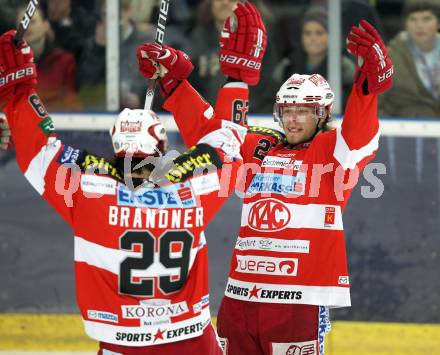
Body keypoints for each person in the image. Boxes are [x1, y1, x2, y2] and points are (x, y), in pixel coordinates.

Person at [139, 9, 393, 354]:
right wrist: (176, 83)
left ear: (322, 115)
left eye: (302, 111)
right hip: (240, 296)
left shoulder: (331, 154)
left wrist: (366, 89)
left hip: (297, 300)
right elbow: (216, 138)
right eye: (287, 110)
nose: (292, 119)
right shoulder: (262, 146)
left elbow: (359, 133)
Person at [0, 26, 246, 354]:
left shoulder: (88, 187)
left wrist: (19, 93)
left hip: (121, 341)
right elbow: (229, 141)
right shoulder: (193, 186)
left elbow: (37, 153)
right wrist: (180, 86)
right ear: (162, 145)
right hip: (191, 339)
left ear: (115, 146)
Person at [76, 0, 154, 110]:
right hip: (100, 117)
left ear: (128, 11)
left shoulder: (147, 44)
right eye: (105, 14)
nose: (110, 19)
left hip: (136, 118)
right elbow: (84, 89)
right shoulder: (92, 45)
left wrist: (140, 98)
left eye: (115, 13)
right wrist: (99, 49)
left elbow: (156, 85)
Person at [274, 6, 356, 107]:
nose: (312, 38)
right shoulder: (287, 66)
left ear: (331, 36)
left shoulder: (344, 68)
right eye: (307, 33)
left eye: (319, 33)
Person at [379, 0, 440, 117]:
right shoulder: (387, 57)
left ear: (438, 23)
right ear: (405, 24)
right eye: (413, 19)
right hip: (400, 128)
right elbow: (376, 103)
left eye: (426, 19)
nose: (419, 25)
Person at [16, 4, 82, 112]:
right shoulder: (8, 66)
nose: (26, 27)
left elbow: (73, 107)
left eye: (32, 22)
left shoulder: (64, 62)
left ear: (45, 26)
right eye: (22, 23)